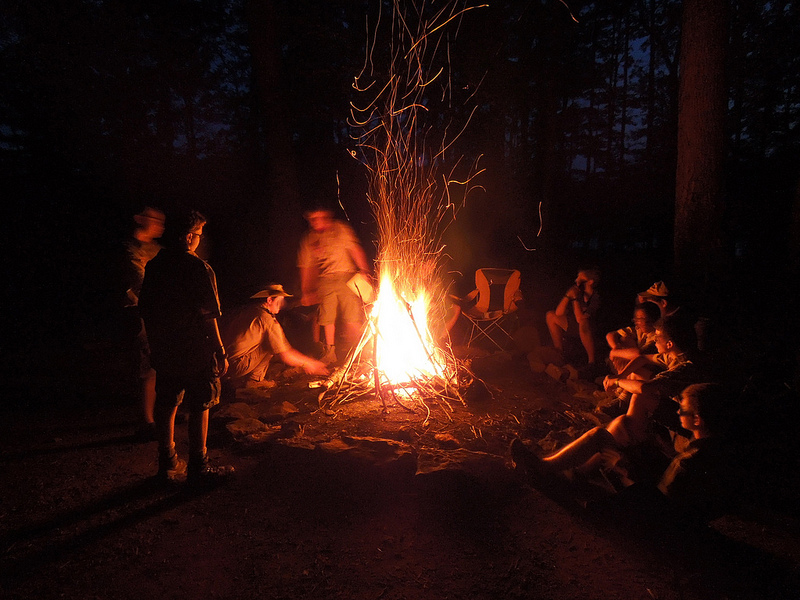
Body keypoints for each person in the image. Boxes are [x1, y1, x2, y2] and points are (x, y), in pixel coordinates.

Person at [513, 314, 699, 478]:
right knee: (619, 423)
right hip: (679, 419)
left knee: (605, 431)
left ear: (669, 343)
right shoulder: (674, 355)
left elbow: (646, 389)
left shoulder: (686, 367)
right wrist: (619, 376)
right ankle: (580, 468)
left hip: (688, 432)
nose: (654, 341)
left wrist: (616, 382)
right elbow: (642, 359)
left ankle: (547, 468)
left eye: (657, 337)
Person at [139, 209, 233, 485]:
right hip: (195, 348)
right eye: (199, 235)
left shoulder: (155, 265)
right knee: (200, 404)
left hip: (165, 346)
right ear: (189, 236)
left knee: (167, 401)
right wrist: (219, 350)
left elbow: (146, 309)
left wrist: (153, 343)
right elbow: (209, 315)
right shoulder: (199, 268)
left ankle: (167, 462)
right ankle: (198, 467)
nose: (199, 240)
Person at [297, 206, 372, 365]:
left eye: (318, 218)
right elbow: (306, 265)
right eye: (312, 219)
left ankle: (363, 351)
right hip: (325, 280)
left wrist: (364, 270)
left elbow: (354, 249)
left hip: (346, 276)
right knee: (327, 317)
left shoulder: (340, 229)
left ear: (326, 217)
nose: (315, 222)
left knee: (351, 315)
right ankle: (330, 352)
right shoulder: (310, 238)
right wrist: (305, 290)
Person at [221, 284, 329, 388]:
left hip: (224, 362)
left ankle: (239, 379)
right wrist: (309, 363)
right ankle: (255, 381)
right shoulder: (266, 319)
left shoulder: (252, 310)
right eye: (279, 300)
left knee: (271, 342)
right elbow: (285, 353)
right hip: (235, 365)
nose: (282, 304)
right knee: (270, 344)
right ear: (269, 300)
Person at [122, 207, 165, 441]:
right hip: (137, 312)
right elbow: (140, 282)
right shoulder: (129, 250)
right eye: (155, 220)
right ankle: (145, 421)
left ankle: (157, 415)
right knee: (147, 366)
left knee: (158, 365)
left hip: (157, 312)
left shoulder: (155, 249)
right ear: (140, 220)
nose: (160, 225)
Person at [545, 268, 602, 367]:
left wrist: (574, 299)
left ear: (590, 282)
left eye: (580, 278)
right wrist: (568, 296)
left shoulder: (596, 298)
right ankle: (559, 352)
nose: (577, 280)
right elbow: (558, 313)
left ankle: (591, 361)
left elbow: (580, 318)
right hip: (575, 326)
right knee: (550, 315)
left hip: (591, 330)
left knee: (583, 322)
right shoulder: (579, 293)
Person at [605, 302, 661, 375]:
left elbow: (639, 354)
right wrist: (615, 347)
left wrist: (614, 353)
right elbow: (611, 335)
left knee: (627, 349)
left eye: (640, 319)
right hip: (636, 364)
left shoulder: (657, 335)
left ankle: (619, 377)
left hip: (651, 370)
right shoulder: (639, 330)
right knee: (625, 339)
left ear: (650, 319)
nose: (636, 322)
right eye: (636, 319)